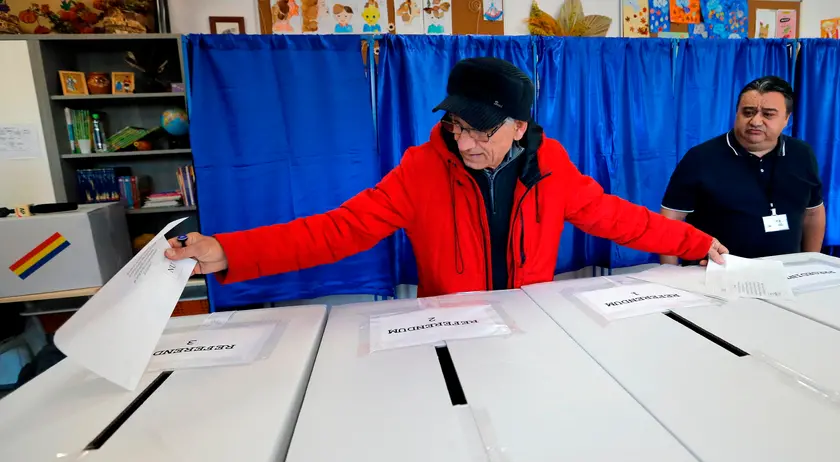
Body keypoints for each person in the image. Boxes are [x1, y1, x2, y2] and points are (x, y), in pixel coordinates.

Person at [166, 57, 727, 298]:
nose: (464, 143)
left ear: (518, 126)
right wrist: (229, 251)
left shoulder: (551, 167)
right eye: (457, 125)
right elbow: (339, 230)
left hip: (534, 322)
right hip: (448, 328)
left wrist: (697, 244)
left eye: (481, 131)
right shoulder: (420, 170)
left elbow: (618, 219)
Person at [660, 76, 825, 265]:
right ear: (736, 113)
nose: (755, 121)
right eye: (748, 112)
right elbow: (671, 220)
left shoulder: (802, 154)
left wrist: (811, 263)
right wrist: (670, 274)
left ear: (786, 118)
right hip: (715, 275)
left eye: (768, 114)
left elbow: (813, 213)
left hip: (787, 272)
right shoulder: (701, 158)